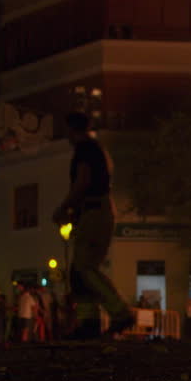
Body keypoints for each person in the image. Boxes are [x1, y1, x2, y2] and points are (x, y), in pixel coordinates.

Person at [53, 111, 134, 340]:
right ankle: (89, 322)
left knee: (84, 267)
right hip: (96, 212)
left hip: (94, 212)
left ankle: (119, 312)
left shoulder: (85, 150)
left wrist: (64, 208)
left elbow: (82, 182)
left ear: (71, 129)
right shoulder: (97, 149)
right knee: (80, 270)